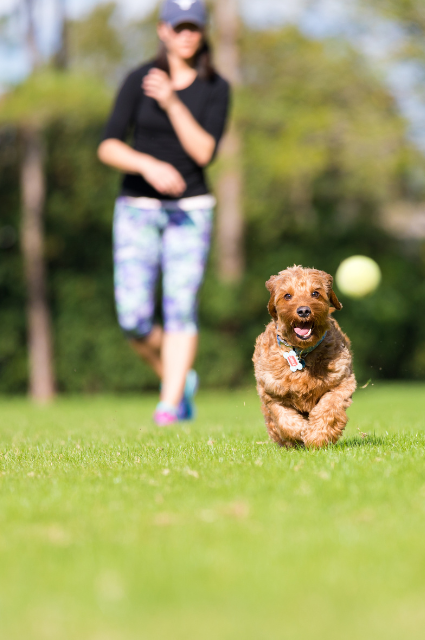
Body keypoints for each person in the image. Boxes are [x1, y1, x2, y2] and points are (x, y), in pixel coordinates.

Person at [97, 0, 230, 426]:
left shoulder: (216, 87)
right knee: (134, 318)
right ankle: (178, 380)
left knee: (180, 308)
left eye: (193, 27)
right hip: (137, 208)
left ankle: (169, 406)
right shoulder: (138, 80)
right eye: (178, 27)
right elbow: (108, 145)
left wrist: (173, 102)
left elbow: (205, 152)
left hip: (190, 210)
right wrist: (147, 164)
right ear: (162, 30)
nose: (186, 34)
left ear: (203, 31)